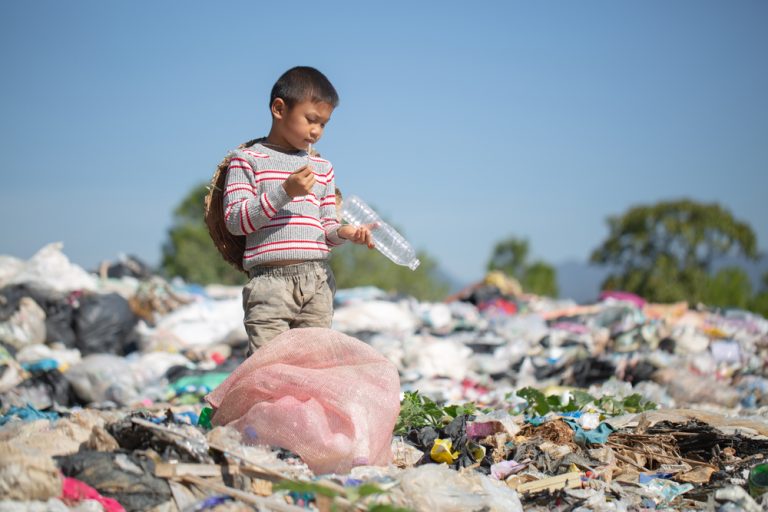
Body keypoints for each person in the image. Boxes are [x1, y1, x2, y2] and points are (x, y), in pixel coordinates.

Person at [222, 66, 372, 355]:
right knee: (270, 365)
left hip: (318, 280)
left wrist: (346, 233)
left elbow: (327, 229)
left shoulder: (322, 168)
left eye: (324, 124)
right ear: (279, 109)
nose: (316, 131)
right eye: (311, 119)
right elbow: (235, 221)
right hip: (269, 283)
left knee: (312, 365)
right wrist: (284, 192)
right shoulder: (248, 160)